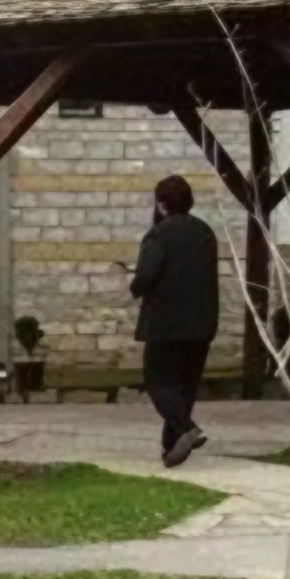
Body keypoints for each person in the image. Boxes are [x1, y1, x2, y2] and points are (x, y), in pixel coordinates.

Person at [129, 174, 220, 467]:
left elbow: (145, 275)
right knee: (184, 387)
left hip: (166, 324)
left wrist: (135, 287)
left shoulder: (159, 234)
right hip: (201, 324)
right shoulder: (205, 232)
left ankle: (186, 429)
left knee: (158, 384)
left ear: (161, 203)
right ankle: (171, 448)